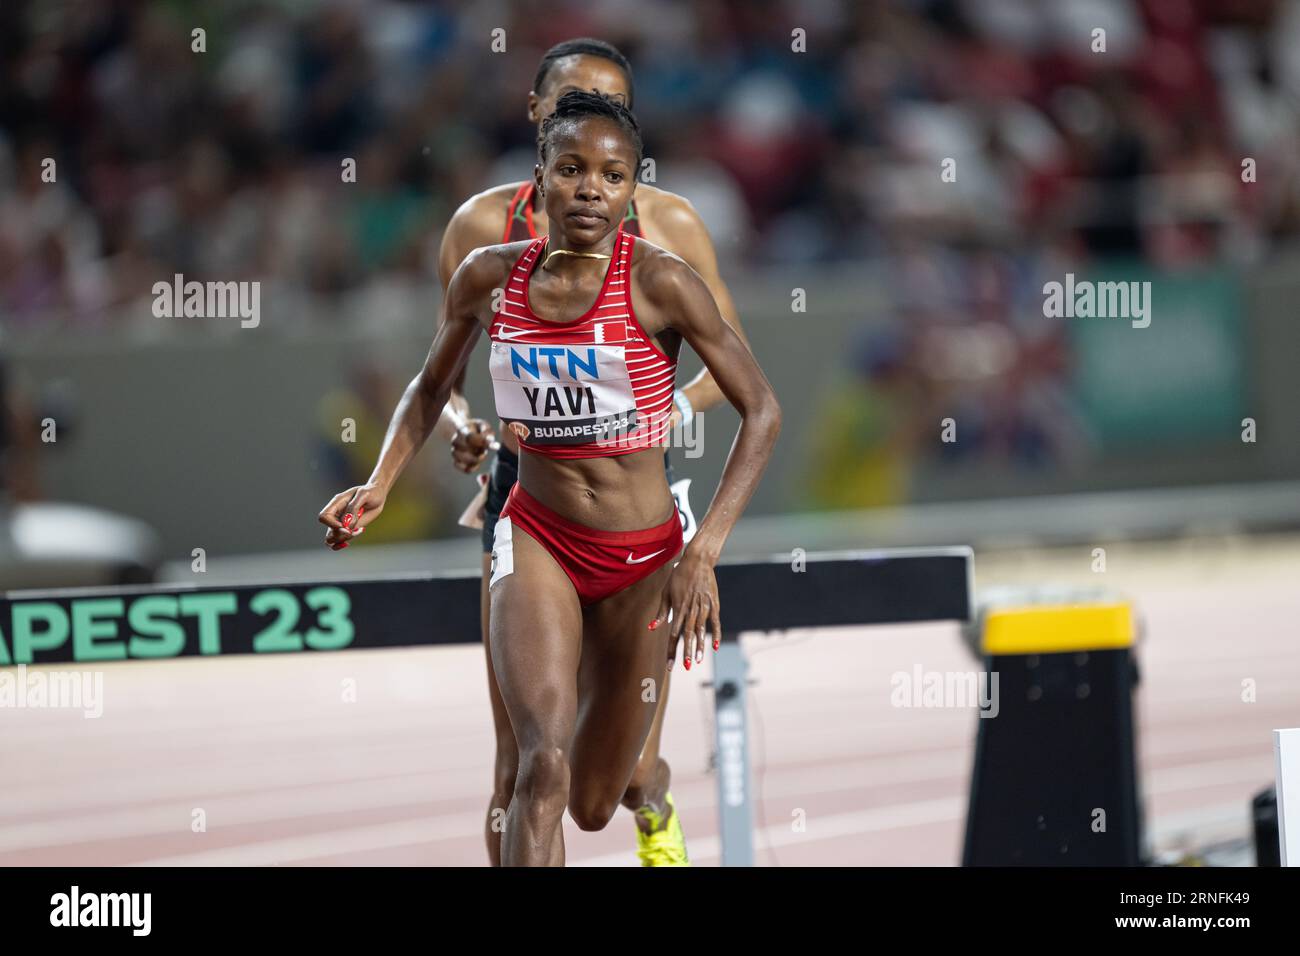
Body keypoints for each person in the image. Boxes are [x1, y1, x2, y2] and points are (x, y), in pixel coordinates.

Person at [319, 90, 780, 866]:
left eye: (612, 175)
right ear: (539, 179)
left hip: (645, 558)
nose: (591, 189)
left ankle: (655, 792)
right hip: (537, 536)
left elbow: (761, 410)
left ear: (633, 189)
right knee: (541, 764)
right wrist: (381, 480)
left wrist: (704, 553)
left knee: (606, 800)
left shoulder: (661, 283)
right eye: (571, 169)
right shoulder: (487, 276)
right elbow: (430, 387)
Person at [434, 38, 752, 866]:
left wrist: (663, 407)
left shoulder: (667, 228)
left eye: (613, 107)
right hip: (524, 496)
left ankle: (653, 797)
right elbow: (445, 373)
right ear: (540, 116)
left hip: (633, 492)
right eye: (574, 99)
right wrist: (461, 424)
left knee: (608, 783)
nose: (594, 117)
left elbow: (738, 375)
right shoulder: (483, 229)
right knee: (523, 762)